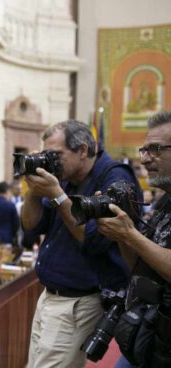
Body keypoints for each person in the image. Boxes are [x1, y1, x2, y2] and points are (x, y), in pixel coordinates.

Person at [21, 119, 138, 367]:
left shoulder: (114, 177)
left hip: (79, 301)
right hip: (49, 296)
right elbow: (31, 226)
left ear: (83, 150)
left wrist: (57, 194)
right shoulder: (64, 177)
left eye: (55, 155)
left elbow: (94, 239)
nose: (50, 161)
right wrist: (33, 186)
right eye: (45, 155)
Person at [96, 110, 171, 368]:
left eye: (156, 149)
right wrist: (120, 234)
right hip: (150, 333)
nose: (146, 159)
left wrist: (130, 234)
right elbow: (139, 267)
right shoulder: (164, 202)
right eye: (144, 150)